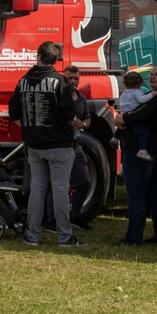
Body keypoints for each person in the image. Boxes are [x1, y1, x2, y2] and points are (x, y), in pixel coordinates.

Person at [9, 41, 84, 247]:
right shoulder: (59, 81)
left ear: (38, 56)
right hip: (60, 144)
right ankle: (65, 237)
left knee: (37, 189)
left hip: (34, 145)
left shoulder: (23, 81)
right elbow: (69, 113)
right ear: (55, 60)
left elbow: (14, 113)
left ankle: (32, 236)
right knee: (60, 190)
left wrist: (30, 129)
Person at [115, 64, 157, 245]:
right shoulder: (149, 96)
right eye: (151, 74)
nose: (152, 77)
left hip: (140, 154)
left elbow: (140, 115)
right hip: (150, 153)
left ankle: (133, 237)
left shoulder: (155, 99)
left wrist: (122, 118)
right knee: (153, 195)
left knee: (136, 195)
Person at [63, 65, 92, 230]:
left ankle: (75, 215)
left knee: (84, 182)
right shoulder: (58, 98)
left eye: (76, 79)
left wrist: (83, 124)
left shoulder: (81, 99)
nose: (73, 81)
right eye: (69, 78)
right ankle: (54, 219)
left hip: (76, 145)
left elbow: (88, 119)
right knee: (60, 185)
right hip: (60, 146)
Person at [119, 71, 157, 161]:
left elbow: (121, 102)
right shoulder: (137, 91)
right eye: (151, 74)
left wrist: (123, 114)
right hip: (132, 115)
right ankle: (142, 150)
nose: (152, 77)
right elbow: (142, 100)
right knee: (143, 132)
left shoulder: (125, 92)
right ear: (138, 83)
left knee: (123, 126)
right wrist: (152, 94)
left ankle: (115, 137)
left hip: (124, 113)